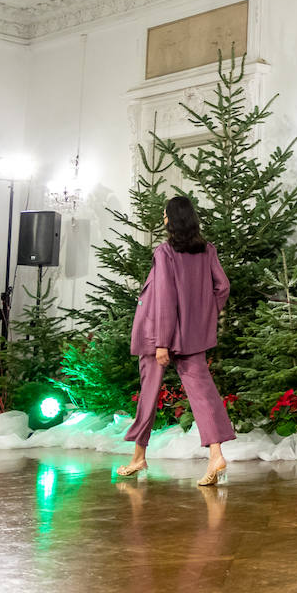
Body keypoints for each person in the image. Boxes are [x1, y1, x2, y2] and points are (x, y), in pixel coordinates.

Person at [119, 195, 235, 486]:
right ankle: (216, 454)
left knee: (148, 394)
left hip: (157, 333)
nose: (163, 219)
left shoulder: (165, 252)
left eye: (164, 214)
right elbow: (222, 287)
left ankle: (138, 456)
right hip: (191, 337)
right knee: (203, 395)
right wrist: (203, 316)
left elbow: (165, 298)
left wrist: (161, 342)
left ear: (172, 219)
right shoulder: (207, 250)